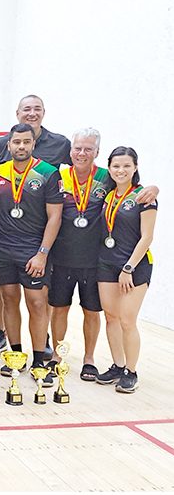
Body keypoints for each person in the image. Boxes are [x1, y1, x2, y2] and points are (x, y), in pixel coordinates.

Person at [49, 129, 158, 381]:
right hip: (86, 262)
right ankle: (105, 364)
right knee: (99, 315)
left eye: (88, 149)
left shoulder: (122, 188)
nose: (82, 153)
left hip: (115, 265)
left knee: (115, 317)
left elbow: (146, 231)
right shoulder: (70, 180)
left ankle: (116, 367)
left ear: (97, 154)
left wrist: (155, 187)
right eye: (78, 148)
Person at [0, 95, 71, 358]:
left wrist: (42, 253)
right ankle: (16, 354)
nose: (21, 146)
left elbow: (55, 217)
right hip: (2, 247)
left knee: (36, 301)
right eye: (16, 142)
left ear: (34, 143)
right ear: (8, 145)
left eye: (26, 142)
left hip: (34, 249)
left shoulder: (47, 172)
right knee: (9, 299)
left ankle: (40, 358)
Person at [95, 147, 156, 393]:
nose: (121, 170)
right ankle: (118, 366)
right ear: (109, 168)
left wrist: (128, 267)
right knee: (111, 317)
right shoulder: (108, 196)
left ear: (135, 167)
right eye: (116, 166)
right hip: (106, 264)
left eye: (126, 166)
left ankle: (131, 371)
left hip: (135, 266)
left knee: (127, 320)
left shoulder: (144, 197)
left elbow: (147, 237)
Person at [0, 94, 71, 168]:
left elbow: (82, 167)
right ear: (17, 114)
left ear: (43, 113)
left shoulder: (61, 144)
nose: (32, 114)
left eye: (37, 109)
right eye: (27, 109)